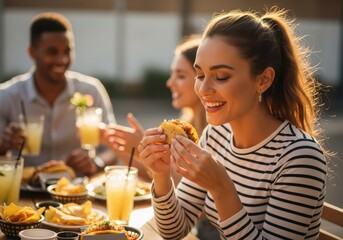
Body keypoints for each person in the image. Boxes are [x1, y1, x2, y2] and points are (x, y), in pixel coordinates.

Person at [138, 9, 328, 240]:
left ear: (263, 80)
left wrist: (222, 189)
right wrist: (161, 175)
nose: (204, 90)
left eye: (221, 77)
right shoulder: (215, 136)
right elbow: (173, 231)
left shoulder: (300, 157)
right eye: (199, 75)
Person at [0, 12, 116, 176]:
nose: (62, 59)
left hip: (75, 191)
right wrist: (3, 146)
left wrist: (96, 163)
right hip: (25, 192)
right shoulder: (6, 96)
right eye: (52, 52)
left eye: (67, 51)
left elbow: (113, 149)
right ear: (32, 52)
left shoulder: (90, 90)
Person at [101, 35, 207, 183]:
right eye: (172, 74)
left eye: (180, 76)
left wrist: (140, 149)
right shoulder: (183, 125)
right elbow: (156, 176)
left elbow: (187, 188)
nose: (170, 83)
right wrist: (120, 147)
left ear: (203, 77)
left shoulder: (213, 135)